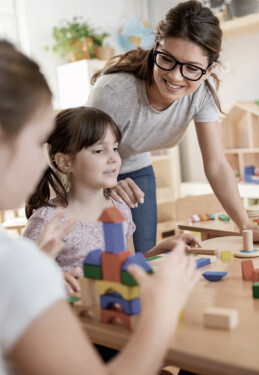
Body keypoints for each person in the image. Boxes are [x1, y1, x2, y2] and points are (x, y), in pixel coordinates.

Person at [0, 39, 199, 375]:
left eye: (115, 149)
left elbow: (124, 263)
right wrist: (162, 313)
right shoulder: (23, 256)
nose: (41, 160)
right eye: (37, 142)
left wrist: (159, 251)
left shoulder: (118, 210)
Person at [88, 0, 259, 254]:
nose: (175, 76)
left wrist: (245, 224)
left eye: (191, 68)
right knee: (98, 258)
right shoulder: (113, 92)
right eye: (167, 59)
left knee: (143, 260)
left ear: (208, 70)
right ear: (155, 49)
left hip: (135, 169)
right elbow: (80, 153)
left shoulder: (200, 96)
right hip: (88, 170)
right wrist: (107, 183)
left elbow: (217, 165)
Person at [23, 107, 202, 293]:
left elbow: (128, 265)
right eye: (99, 151)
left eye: (115, 148)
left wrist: (164, 247)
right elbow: (21, 281)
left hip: (117, 309)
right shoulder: (47, 221)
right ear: (65, 163)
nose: (114, 158)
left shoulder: (120, 208)